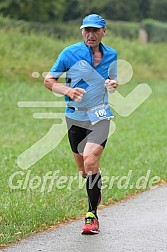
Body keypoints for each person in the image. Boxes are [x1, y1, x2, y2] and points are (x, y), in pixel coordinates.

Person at [44, 13, 118, 234]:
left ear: (104, 32)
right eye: (87, 30)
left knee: (90, 161)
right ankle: (92, 186)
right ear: (82, 31)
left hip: (100, 114)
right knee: (84, 170)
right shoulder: (69, 52)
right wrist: (66, 90)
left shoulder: (111, 54)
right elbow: (49, 80)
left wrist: (113, 84)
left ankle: (91, 215)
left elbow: (112, 81)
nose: (91, 34)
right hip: (75, 116)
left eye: (95, 30)